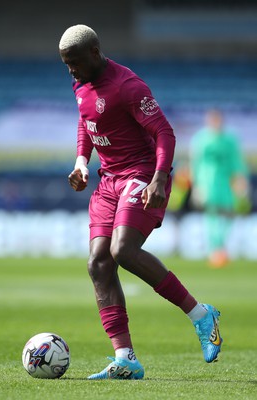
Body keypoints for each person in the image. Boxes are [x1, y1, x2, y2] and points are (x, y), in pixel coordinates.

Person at [58, 24, 223, 380]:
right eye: (65, 64)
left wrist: (160, 179)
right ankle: (125, 358)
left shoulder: (128, 87)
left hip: (141, 173)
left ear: (95, 54)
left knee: (123, 250)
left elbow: (164, 131)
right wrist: (81, 163)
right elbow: (86, 121)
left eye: (73, 62)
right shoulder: (80, 83)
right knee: (98, 264)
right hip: (108, 180)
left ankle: (201, 314)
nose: (70, 70)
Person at [190, 109, 249, 268]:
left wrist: (240, 179)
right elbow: (196, 162)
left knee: (229, 213)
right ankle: (215, 250)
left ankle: (220, 246)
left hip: (226, 182)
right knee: (212, 214)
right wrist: (196, 185)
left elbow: (236, 161)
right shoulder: (201, 139)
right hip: (207, 183)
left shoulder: (230, 139)